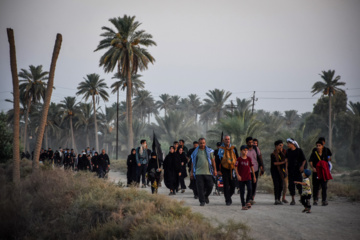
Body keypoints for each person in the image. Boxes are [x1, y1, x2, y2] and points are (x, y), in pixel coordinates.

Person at [190, 138, 217, 206]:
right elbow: (193, 162)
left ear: (205, 143)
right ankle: (202, 201)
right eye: (201, 143)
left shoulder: (209, 151)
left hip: (208, 172)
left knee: (210, 185)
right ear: (199, 144)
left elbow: (213, 160)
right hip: (198, 172)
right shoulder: (195, 152)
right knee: (200, 187)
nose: (202, 144)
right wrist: (192, 172)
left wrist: (215, 170)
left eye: (203, 143)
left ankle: (206, 195)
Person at [217, 135, 239, 206]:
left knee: (233, 185)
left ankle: (228, 196)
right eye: (226, 139)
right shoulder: (220, 149)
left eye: (228, 139)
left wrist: (238, 169)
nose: (227, 140)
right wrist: (218, 170)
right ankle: (228, 200)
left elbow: (237, 158)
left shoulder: (234, 148)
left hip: (232, 169)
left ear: (230, 140)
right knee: (226, 185)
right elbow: (218, 160)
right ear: (223, 140)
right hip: (224, 169)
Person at [309, 141, 332, 206]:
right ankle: (315, 200)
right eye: (317, 145)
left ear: (322, 146)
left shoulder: (325, 153)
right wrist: (313, 167)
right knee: (315, 186)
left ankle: (324, 200)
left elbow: (329, 162)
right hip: (316, 172)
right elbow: (310, 161)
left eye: (319, 145)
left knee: (324, 186)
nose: (318, 147)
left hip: (323, 173)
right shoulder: (314, 153)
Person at [285, 138, 307, 205]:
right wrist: (286, 169)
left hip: (298, 170)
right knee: (291, 185)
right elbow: (286, 161)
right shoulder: (288, 151)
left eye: (289, 143)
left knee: (299, 184)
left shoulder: (299, 151)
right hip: (291, 170)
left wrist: (302, 166)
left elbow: (304, 160)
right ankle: (293, 200)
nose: (288, 145)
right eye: (287, 143)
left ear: (293, 143)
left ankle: (301, 198)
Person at [235, 145, 256, 210]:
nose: (245, 151)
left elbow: (252, 167)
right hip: (241, 178)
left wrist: (254, 176)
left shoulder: (249, 159)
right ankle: (243, 205)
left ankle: (247, 201)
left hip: (248, 177)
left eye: (246, 150)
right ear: (241, 151)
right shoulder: (239, 159)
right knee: (242, 191)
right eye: (244, 150)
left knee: (250, 189)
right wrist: (238, 175)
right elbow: (235, 167)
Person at [245, 137, 264, 204]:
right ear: (247, 143)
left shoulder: (256, 149)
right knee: (249, 184)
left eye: (252, 142)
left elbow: (260, 157)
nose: (251, 144)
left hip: (255, 169)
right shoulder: (245, 149)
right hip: (247, 169)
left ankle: (252, 197)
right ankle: (249, 197)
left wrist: (261, 166)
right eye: (249, 142)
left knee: (254, 183)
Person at [270, 140, 287, 205]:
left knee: (281, 185)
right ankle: (276, 199)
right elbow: (274, 163)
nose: (281, 147)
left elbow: (286, 161)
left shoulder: (283, 154)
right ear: (276, 146)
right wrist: (283, 162)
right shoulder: (273, 154)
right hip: (275, 171)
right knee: (276, 185)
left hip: (281, 171)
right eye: (280, 145)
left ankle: (279, 199)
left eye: (282, 145)